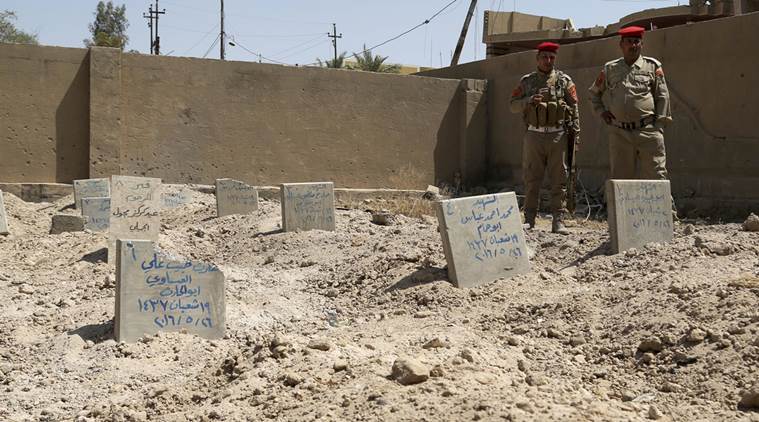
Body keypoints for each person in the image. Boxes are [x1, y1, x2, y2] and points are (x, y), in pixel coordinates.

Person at [510, 41, 580, 235]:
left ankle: (558, 221)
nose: (548, 61)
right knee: (532, 178)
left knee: (559, 179)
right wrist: (528, 100)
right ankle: (530, 219)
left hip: (558, 135)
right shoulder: (528, 81)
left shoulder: (564, 81)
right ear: (537, 59)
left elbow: (574, 108)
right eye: (544, 57)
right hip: (534, 135)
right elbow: (512, 105)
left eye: (551, 57)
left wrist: (576, 134)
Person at [588, 26, 672, 180]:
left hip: (648, 131)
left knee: (657, 176)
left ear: (641, 45)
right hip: (620, 134)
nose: (633, 45)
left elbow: (663, 96)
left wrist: (658, 127)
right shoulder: (610, 69)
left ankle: (664, 205)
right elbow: (594, 94)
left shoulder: (652, 66)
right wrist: (602, 112)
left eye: (636, 42)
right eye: (629, 42)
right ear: (621, 45)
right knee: (621, 181)